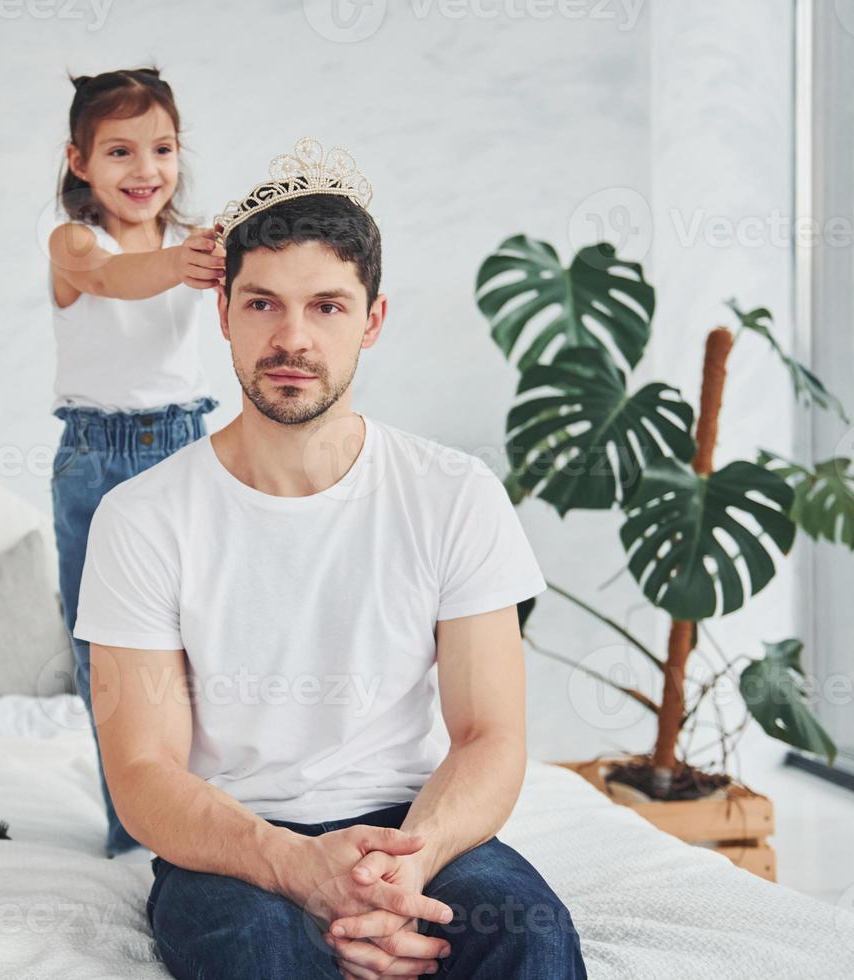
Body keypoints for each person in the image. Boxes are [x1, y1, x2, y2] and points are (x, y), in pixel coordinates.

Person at [72, 139, 586, 978]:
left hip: (415, 826)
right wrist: (294, 867)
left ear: (372, 320)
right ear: (225, 313)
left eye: (327, 307)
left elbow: (490, 735)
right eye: (264, 305)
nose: (293, 337)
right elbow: (140, 771)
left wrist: (402, 872)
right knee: (264, 949)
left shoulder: (454, 492)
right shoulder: (141, 518)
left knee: (529, 934)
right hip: (229, 837)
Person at [46, 66, 222, 857]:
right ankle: (135, 828)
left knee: (207, 635)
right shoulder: (76, 243)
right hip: (98, 460)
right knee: (110, 651)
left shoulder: (198, 247)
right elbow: (115, 280)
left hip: (189, 448)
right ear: (80, 161)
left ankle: (213, 808)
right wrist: (185, 267)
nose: (145, 170)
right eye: (119, 151)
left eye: (162, 148)